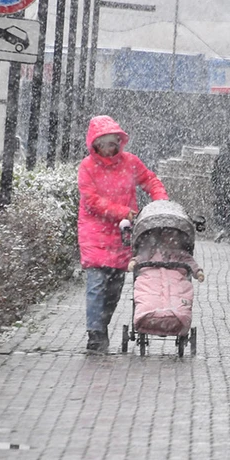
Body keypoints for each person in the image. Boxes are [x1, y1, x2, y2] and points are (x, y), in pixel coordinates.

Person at [78, 115, 168, 353]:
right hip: (94, 232)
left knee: (115, 286)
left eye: (114, 143)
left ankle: (101, 326)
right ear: (95, 145)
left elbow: (149, 180)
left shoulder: (130, 162)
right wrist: (123, 213)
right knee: (97, 284)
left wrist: (161, 203)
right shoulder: (87, 167)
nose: (111, 148)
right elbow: (92, 201)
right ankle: (95, 335)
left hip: (123, 235)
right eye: (106, 143)